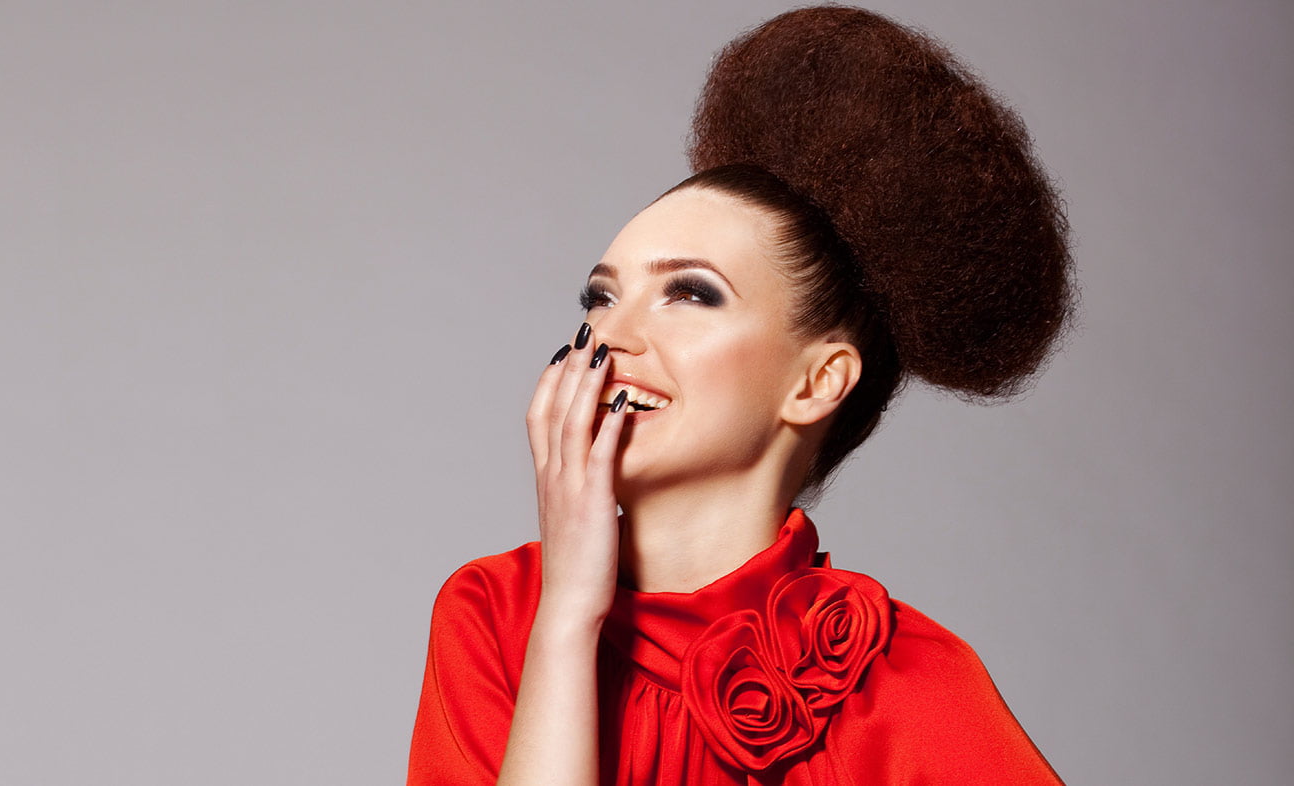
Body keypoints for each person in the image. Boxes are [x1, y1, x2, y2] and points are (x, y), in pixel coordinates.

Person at [406, 6, 1073, 785]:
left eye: (690, 293)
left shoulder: (906, 688)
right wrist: (568, 618)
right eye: (600, 297)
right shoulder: (494, 614)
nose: (613, 333)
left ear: (817, 382)